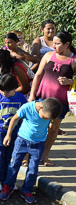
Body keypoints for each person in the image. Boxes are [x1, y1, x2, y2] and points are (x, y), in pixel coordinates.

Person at [0, 97, 62, 204]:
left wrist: (52, 123)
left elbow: (52, 117)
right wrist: (8, 135)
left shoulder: (50, 110)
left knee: (33, 169)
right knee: (14, 164)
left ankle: (27, 190)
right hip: (22, 141)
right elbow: (14, 119)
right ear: (40, 107)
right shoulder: (27, 107)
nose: (45, 119)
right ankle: (8, 186)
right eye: (44, 117)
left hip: (39, 143)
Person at [30, 30, 76, 166]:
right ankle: (28, 156)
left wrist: (70, 81)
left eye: (57, 44)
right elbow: (38, 75)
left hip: (60, 102)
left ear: (67, 44)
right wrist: (32, 94)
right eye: (53, 43)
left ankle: (44, 156)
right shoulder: (49, 55)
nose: (54, 46)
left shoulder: (73, 60)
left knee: (53, 128)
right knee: (36, 125)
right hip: (42, 98)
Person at [0, 74, 27, 191]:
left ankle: (8, 181)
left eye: (7, 91)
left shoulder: (21, 98)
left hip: (15, 132)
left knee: (11, 157)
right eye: (1, 90)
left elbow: (25, 116)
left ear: (15, 88)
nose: (4, 93)